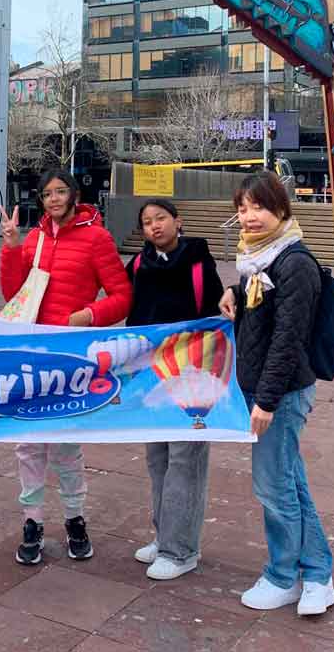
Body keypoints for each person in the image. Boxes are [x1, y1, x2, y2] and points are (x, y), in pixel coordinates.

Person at [0, 168, 132, 566]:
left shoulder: (97, 237)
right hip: (32, 353)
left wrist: (89, 316)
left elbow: (123, 296)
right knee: (28, 444)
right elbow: (14, 294)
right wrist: (10, 246)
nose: (53, 199)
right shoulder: (36, 238)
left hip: (72, 356)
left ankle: (75, 519)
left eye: (60, 191)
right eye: (46, 194)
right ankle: (32, 523)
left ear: (75, 194)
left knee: (67, 445)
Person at [219, 171, 334, 616]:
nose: (248, 217)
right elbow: (264, 316)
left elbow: (288, 339)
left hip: (281, 394)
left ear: (282, 210)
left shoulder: (294, 263)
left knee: (273, 487)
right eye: (243, 208)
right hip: (267, 389)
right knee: (289, 481)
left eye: (258, 207)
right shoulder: (259, 260)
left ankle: (284, 575)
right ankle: (318, 574)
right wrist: (233, 291)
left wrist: (265, 402)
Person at [126, 199, 223, 580]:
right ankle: (164, 534)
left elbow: (218, 308)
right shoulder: (137, 265)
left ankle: (181, 550)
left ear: (177, 221)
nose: (154, 226)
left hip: (193, 377)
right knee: (158, 460)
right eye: (147, 222)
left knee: (186, 460)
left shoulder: (199, 261)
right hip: (153, 377)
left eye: (161, 218)